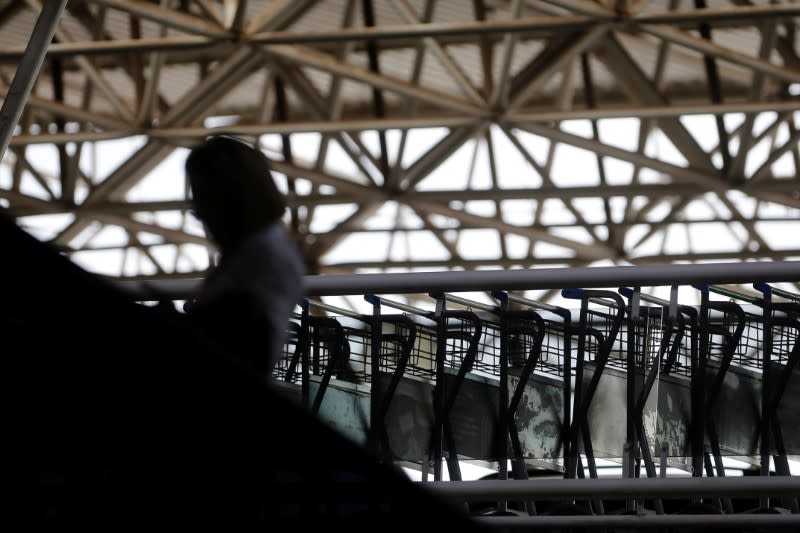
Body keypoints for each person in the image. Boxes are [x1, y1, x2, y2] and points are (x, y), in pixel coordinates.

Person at [182, 134, 305, 381]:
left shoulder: (260, 258)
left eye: (204, 206)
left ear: (231, 200)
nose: (203, 219)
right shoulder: (268, 251)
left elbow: (235, 336)